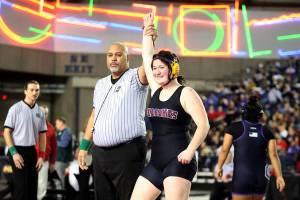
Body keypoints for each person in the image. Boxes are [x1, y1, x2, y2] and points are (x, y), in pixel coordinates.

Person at [130, 13, 210, 200]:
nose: (156, 71)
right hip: (156, 162)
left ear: (173, 69)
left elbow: (204, 125)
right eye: (155, 68)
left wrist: (190, 151)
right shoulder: (156, 89)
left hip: (179, 160)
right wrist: (147, 33)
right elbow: (147, 55)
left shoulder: (186, 93)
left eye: (161, 67)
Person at [77, 26, 158, 199]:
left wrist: (149, 39)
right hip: (100, 154)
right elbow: (94, 116)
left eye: (118, 54)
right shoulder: (100, 84)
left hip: (127, 153)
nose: (113, 58)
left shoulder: (136, 77)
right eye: (110, 55)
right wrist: (84, 147)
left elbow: (148, 61)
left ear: (127, 58)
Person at [216, 96, 285, 200]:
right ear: (260, 115)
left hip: (242, 176)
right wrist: (279, 176)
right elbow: (274, 155)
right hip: (261, 177)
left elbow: (224, 150)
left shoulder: (234, 127)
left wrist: (220, 167)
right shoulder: (267, 131)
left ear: (243, 113)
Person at [3, 80, 47, 200]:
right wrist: (14, 153)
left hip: (32, 151)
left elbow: (43, 135)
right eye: (31, 90)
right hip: (17, 151)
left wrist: (42, 156)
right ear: (25, 91)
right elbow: (6, 132)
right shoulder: (15, 109)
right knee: (21, 187)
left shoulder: (40, 112)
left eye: (37, 90)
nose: (34, 92)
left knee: (32, 189)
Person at [37, 105, 57, 200]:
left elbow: (54, 147)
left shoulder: (51, 128)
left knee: (42, 185)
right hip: (30, 159)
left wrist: (52, 162)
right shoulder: (31, 125)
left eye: (45, 113)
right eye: (41, 113)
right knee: (29, 183)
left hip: (44, 161)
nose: (43, 115)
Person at [55, 117, 73, 188]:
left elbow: (64, 144)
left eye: (57, 123)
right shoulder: (60, 132)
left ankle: (62, 195)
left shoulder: (66, 131)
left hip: (63, 159)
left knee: (60, 178)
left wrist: (53, 142)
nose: (55, 125)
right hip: (59, 158)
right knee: (59, 178)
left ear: (61, 122)